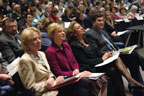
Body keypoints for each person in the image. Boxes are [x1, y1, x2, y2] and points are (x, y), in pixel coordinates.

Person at [83, 13, 144, 95]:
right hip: (107, 57)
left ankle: (138, 88)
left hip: (115, 53)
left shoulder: (103, 32)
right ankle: (133, 81)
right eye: (99, 21)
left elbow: (111, 43)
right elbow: (95, 51)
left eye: (102, 21)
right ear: (93, 22)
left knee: (132, 55)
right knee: (129, 57)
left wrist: (119, 50)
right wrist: (109, 53)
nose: (102, 22)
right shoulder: (89, 34)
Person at [45, 23, 108, 96]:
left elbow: (73, 61)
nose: (63, 33)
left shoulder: (65, 44)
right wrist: (73, 73)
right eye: (59, 31)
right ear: (52, 35)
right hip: (65, 80)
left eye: (63, 31)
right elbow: (57, 72)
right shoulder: (50, 51)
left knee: (103, 78)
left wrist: (76, 69)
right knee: (88, 83)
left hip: (75, 74)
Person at [18, 27, 64, 96]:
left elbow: (48, 72)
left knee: (80, 83)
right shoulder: (25, 60)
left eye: (39, 38)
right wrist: (48, 84)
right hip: (45, 93)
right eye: (34, 39)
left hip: (54, 87)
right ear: (26, 44)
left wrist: (52, 78)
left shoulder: (41, 54)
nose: (39, 41)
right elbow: (30, 87)